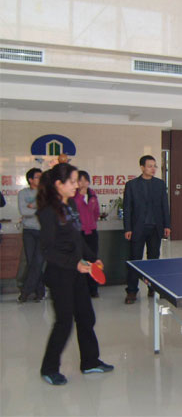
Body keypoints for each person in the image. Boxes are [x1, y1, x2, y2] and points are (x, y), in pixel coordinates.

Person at [37, 163, 113, 386]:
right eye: (72, 181)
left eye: (77, 181)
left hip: (77, 271)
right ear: (58, 184)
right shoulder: (48, 212)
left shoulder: (70, 204)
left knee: (86, 316)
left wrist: (91, 258)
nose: (77, 185)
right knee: (64, 322)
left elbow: (77, 238)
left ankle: (90, 362)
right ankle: (49, 368)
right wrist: (75, 264)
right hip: (60, 274)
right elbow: (47, 250)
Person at [123, 155, 171, 304]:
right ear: (142, 167)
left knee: (154, 260)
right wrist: (128, 228)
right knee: (135, 260)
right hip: (137, 228)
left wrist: (167, 225)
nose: (153, 169)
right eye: (150, 166)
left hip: (155, 228)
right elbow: (127, 208)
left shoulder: (160, 184)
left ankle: (153, 288)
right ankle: (132, 291)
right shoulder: (131, 185)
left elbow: (164, 206)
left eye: (154, 166)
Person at [17, 168, 45, 303]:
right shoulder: (23, 193)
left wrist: (33, 206)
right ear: (30, 180)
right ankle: (40, 292)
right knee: (31, 262)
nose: (41, 179)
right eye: (38, 177)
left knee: (38, 261)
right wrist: (38, 208)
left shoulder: (45, 192)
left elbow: (46, 209)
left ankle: (25, 292)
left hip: (43, 231)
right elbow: (23, 211)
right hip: (28, 231)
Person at [74, 171, 101, 297]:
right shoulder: (73, 196)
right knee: (80, 260)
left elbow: (96, 213)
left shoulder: (92, 195)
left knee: (93, 260)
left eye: (85, 180)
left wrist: (91, 223)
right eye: (80, 180)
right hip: (79, 232)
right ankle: (81, 288)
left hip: (92, 232)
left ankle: (93, 289)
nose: (83, 183)